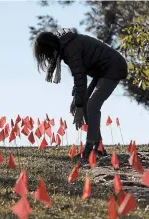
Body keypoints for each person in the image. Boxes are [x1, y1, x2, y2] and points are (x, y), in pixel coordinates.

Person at [33, 28, 128, 165]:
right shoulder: (66, 46)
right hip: (101, 71)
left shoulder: (69, 49)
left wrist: (78, 106)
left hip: (112, 67)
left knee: (91, 106)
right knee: (84, 104)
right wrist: (76, 101)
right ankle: (98, 147)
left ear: (50, 47)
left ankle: (89, 149)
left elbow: (80, 78)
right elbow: (79, 75)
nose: (47, 58)